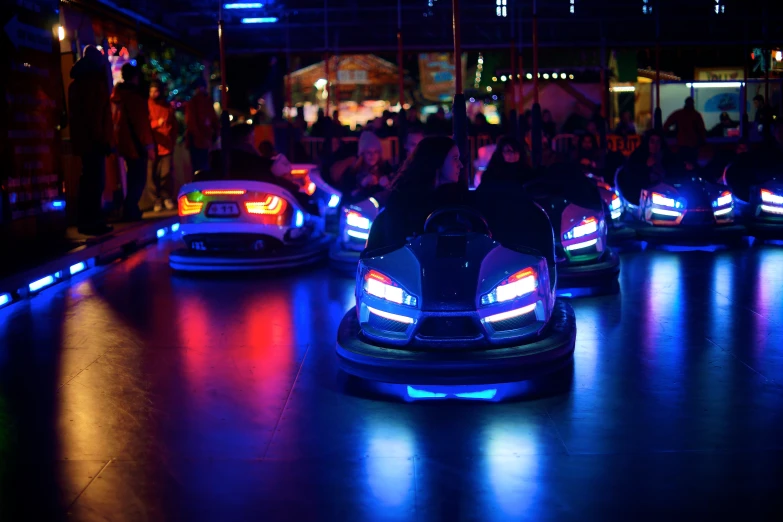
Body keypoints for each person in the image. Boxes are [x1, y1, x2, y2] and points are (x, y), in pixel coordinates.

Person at [365, 136, 465, 251]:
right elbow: (395, 243)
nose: (460, 165)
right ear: (438, 160)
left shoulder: (456, 196)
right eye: (455, 158)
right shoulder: (402, 199)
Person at [207, 124, 318, 214]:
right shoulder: (252, 162)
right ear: (246, 141)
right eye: (252, 139)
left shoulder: (217, 160)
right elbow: (272, 178)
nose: (254, 143)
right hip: (255, 209)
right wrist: (295, 188)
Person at [68, 45, 114, 235]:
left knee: (87, 180)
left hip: (82, 140)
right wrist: (101, 140)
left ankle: (85, 220)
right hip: (94, 141)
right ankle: (93, 221)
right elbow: (95, 115)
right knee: (96, 182)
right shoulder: (95, 83)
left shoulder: (76, 83)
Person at [111, 63, 154, 221]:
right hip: (136, 144)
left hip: (122, 142)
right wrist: (148, 145)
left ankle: (129, 208)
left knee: (131, 177)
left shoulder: (117, 95)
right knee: (139, 177)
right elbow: (141, 123)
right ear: (135, 77)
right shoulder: (134, 97)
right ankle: (130, 209)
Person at [147, 80, 177, 212]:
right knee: (151, 176)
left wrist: (172, 139)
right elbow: (145, 125)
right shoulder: (146, 106)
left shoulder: (167, 107)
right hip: (152, 146)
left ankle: (166, 197)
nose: (153, 94)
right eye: (151, 91)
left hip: (166, 146)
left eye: (156, 91)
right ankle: (156, 200)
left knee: (166, 174)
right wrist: (156, 124)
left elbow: (174, 125)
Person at [339, 131, 393, 201]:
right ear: (362, 154)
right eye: (368, 152)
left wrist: (387, 184)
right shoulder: (352, 172)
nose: (372, 155)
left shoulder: (385, 169)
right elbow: (348, 197)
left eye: (375, 152)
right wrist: (362, 184)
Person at [185, 77, 219, 174]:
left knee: (200, 167)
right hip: (198, 141)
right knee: (201, 166)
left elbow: (213, 119)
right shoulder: (195, 102)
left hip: (202, 140)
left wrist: (215, 133)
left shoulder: (205, 101)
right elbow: (192, 123)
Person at [662, 97, 706, 165]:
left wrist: (671, 134)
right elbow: (702, 130)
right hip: (692, 145)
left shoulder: (679, 114)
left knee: (682, 166)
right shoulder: (696, 115)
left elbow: (666, 126)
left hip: (683, 144)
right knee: (691, 166)